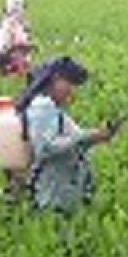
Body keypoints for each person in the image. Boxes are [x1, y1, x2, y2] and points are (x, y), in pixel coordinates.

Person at [16, 56, 113, 213]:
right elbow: (46, 147)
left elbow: (75, 139)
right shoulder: (42, 107)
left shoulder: (54, 109)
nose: (72, 91)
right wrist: (89, 137)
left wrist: (98, 135)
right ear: (56, 79)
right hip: (52, 197)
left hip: (63, 194)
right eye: (70, 84)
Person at [0, 0, 35, 78]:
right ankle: (18, 71)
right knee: (20, 52)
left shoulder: (0, 27)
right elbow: (18, 44)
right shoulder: (14, 25)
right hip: (9, 57)